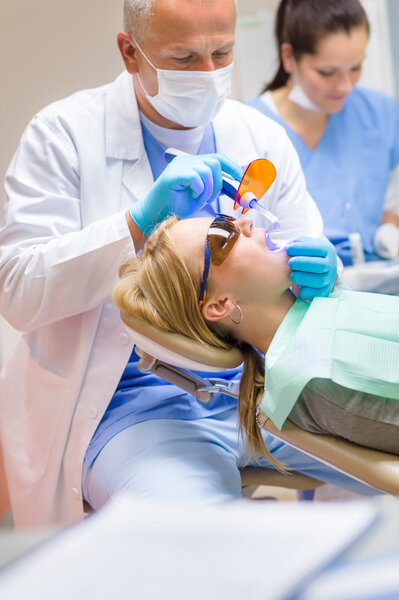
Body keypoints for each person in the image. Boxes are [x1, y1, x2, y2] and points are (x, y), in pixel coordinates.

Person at [0, 0, 364, 528]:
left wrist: (323, 280)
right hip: (133, 409)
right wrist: (135, 225)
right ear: (130, 52)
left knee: (373, 499)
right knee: (198, 542)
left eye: (222, 52)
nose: (209, 73)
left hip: (263, 396)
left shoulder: (260, 137)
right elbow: (17, 292)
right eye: (185, 57)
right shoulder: (63, 136)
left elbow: (308, 273)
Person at [113, 214, 399, 464]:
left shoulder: (316, 309)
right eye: (222, 236)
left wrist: (336, 290)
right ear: (220, 304)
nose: (246, 222)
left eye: (227, 219)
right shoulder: (313, 378)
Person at [247, 0, 399, 267]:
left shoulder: (381, 114)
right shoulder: (251, 130)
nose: (346, 86)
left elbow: (392, 199)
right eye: (327, 72)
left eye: (355, 68)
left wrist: (390, 230)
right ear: (289, 57)